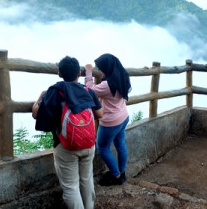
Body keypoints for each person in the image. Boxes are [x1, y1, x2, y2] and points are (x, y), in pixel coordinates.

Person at [32, 56, 103, 209]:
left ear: (59, 74)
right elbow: (100, 114)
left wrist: (40, 97)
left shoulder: (55, 92)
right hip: (89, 143)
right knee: (87, 179)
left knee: (71, 186)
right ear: (79, 73)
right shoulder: (88, 91)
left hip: (65, 146)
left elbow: (36, 114)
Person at [85, 53, 132, 186]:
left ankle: (116, 175)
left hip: (111, 122)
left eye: (100, 68)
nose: (99, 71)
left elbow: (90, 89)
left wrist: (89, 71)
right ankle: (122, 172)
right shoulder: (124, 76)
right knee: (120, 144)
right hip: (123, 116)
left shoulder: (107, 85)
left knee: (102, 148)